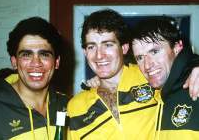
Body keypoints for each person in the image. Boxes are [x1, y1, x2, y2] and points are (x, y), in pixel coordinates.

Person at [67, 9, 199, 140]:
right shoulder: (75, 107)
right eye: (91, 47)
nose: (99, 55)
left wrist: (195, 63)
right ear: (84, 52)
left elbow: (177, 68)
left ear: (124, 48)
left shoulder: (150, 77)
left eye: (107, 45)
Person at [0, 17, 68, 139]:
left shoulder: (68, 105)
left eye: (44, 54)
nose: (36, 63)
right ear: (14, 62)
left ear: (57, 62)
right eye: (26, 55)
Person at [131, 16, 199, 139]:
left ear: (177, 48)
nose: (147, 65)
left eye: (154, 52)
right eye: (140, 58)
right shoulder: (157, 92)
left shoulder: (195, 84)